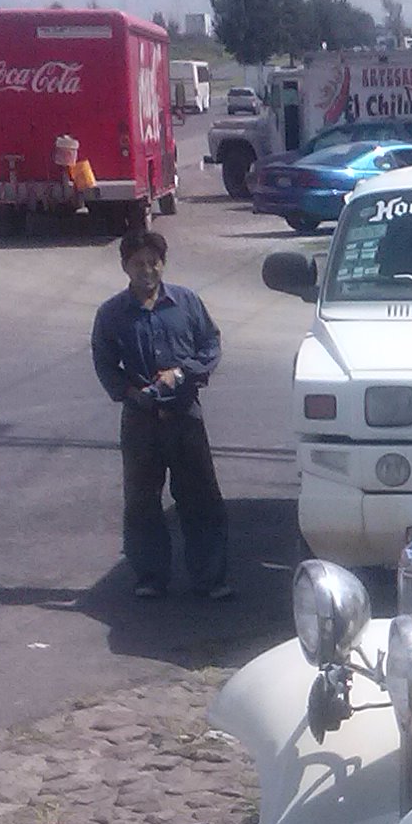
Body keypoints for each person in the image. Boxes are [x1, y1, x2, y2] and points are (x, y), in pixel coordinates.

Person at [91, 229, 231, 600]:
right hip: (140, 421)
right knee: (142, 502)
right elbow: (104, 362)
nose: (147, 271)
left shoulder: (186, 303)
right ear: (125, 267)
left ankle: (210, 578)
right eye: (138, 264)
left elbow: (211, 345)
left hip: (185, 416)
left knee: (200, 498)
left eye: (153, 263)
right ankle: (151, 577)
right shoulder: (111, 313)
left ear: (163, 264)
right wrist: (129, 392)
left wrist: (182, 372)